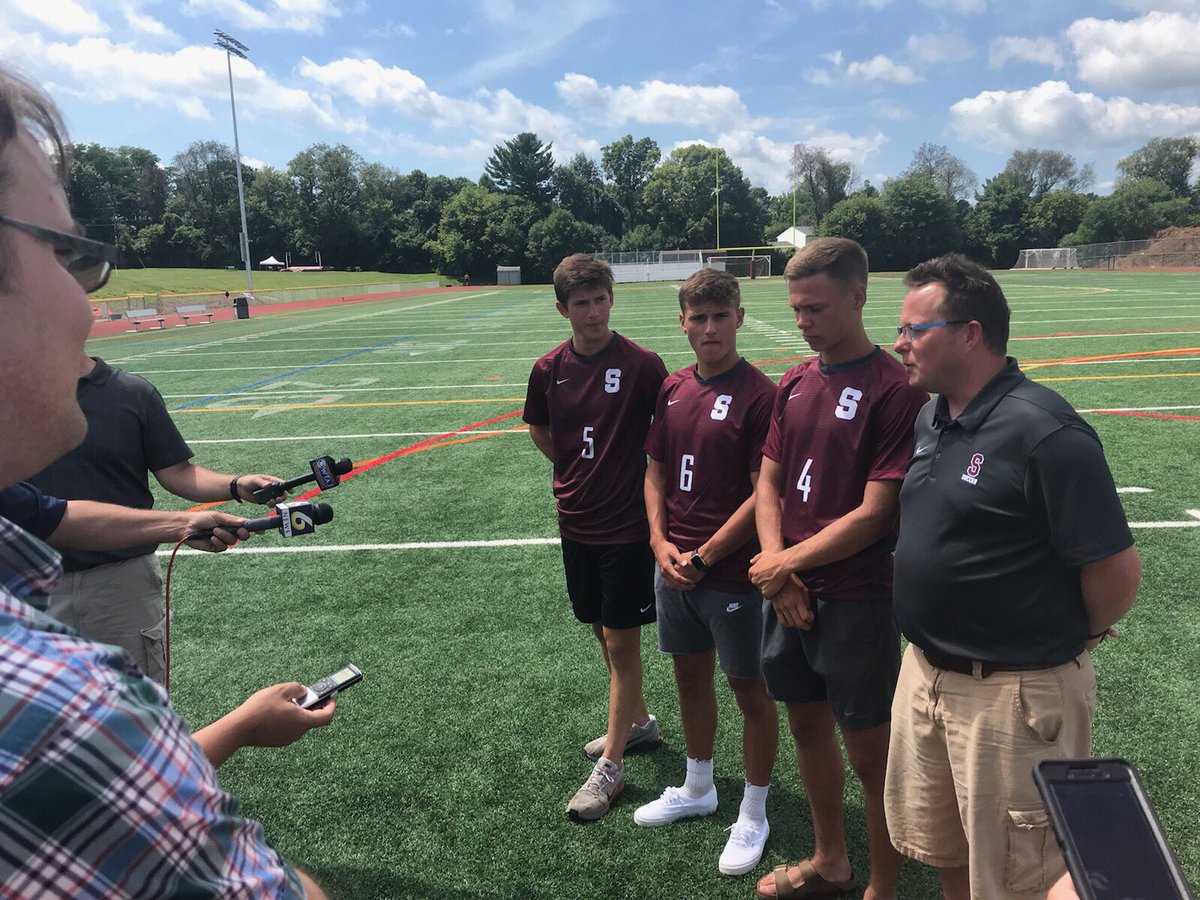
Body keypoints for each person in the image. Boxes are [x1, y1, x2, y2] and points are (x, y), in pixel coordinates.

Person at [0, 63, 330, 897]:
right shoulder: (61, 712)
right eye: (69, 255)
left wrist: (208, 505)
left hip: (119, 589)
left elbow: (71, 508)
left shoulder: (127, 398)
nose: (87, 308)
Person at [885, 254, 1141, 900]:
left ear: (970, 332)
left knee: (1024, 872)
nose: (900, 343)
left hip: (1011, 694)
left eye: (916, 329)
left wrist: (1060, 641)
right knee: (945, 846)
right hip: (928, 674)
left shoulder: (1043, 430)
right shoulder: (933, 414)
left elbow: (1114, 572)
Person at [749, 238, 927, 900]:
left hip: (856, 599)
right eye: (796, 309)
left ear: (857, 296)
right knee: (806, 727)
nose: (803, 321)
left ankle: (883, 883)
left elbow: (876, 513)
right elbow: (768, 485)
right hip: (788, 590)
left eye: (815, 307)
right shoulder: (794, 381)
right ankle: (832, 861)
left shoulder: (894, 390)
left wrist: (779, 568)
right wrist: (780, 574)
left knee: (870, 754)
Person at [636, 268, 779, 875]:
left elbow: (762, 495)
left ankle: (753, 810)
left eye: (721, 316)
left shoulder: (762, 394)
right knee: (690, 679)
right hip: (675, 568)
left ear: (739, 317)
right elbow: (654, 473)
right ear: (683, 323)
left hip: (729, 573)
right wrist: (659, 541)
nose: (710, 328)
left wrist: (704, 556)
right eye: (699, 317)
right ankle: (699, 787)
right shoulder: (672, 388)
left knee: (751, 691)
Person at [27, 351, 283, 684]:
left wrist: (234, 485)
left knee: (138, 720)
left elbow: (177, 471)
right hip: (25, 584)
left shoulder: (131, 393)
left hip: (121, 583)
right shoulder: (13, 394)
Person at [523, 253, 668, 822]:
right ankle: (639, 726)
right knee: (596, 628)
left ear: (612, 298)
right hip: (575, 518)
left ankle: (610, 767)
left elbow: (667, 433)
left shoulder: (642, 364)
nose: (593, 312)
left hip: (626, 524)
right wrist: (574, 471)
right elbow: (540, 427)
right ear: (562, 309)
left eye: (600, 299)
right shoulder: (547, 368)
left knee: (622, 642)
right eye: (580, 303)